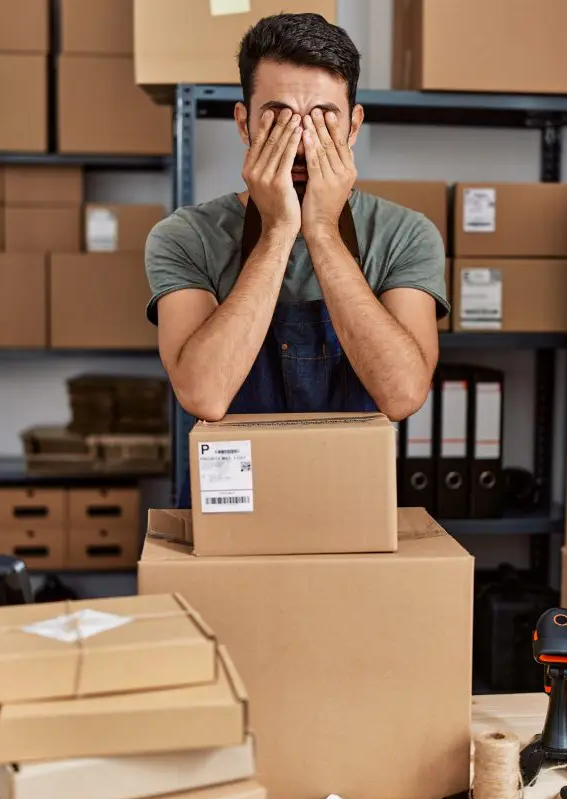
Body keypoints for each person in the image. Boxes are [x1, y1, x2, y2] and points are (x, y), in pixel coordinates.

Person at [145, 12, 448, 509]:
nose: (304, 140)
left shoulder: (405, 234)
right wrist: (280, 229)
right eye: (280, 116)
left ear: (353, 125)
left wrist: (323, 231)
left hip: (351, 503)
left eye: (324, 118)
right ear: (244, 123)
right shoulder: (185, 236)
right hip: (230, 505)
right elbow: (204, 394)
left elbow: (402, 395)